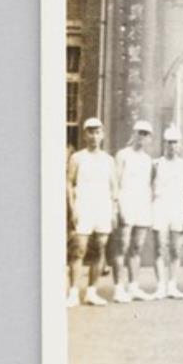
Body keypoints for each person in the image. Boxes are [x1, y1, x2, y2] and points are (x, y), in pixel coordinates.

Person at [66, 118, 118, 307]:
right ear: (84, 135)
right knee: (79, 249)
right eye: (90, 132)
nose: (94, 136)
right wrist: (72, 208)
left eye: (97, 132)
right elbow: (69, 183)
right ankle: (73, 292)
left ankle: (91, 292)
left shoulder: (109, 160)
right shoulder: (77, 157)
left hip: (102, 208)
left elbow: (114, 187)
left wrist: (113, 211)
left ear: (102, 135)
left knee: (99, 248)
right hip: (83, 207)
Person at [112, 120, 154, 304]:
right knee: (122, 246)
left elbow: (148, 185)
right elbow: (116, 183)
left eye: (146, 134)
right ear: (134, 134)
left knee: (137, 247)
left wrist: (148, 208)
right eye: (140, 133)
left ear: (150, 138)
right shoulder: (122, 155)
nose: (142, 137)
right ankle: (118, 289)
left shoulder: (148, 160)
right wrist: (117, 206)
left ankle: (134, 287)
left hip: (142, 206)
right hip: (126, 203)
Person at [151, 125, 183, 300]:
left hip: (178, 207)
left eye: (174, 142)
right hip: (160, 206)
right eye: (168, 142)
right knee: (160, 247)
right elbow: (149, 187)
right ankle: (161, 285)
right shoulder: (156, 164)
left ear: (180, 145)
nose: (171, 146)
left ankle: (172, 285)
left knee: (176, 249)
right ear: (164, 144)